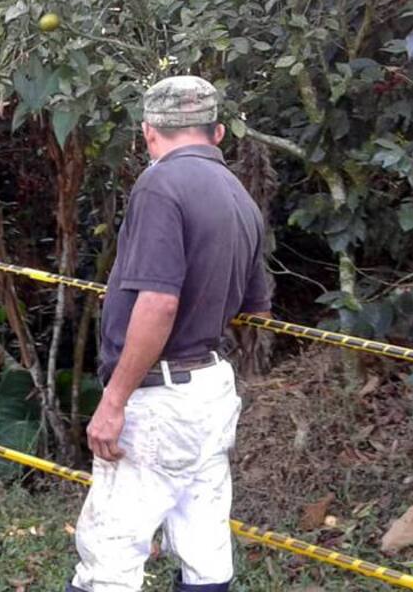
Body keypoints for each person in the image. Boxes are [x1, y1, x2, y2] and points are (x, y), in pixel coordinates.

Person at [66, 76, 272, 592]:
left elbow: (158, 301)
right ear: (218, 132)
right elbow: (255, 307)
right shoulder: (240, 196)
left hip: (159, 398)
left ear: (148, 133)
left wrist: (114, 401)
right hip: (210, 390)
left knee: (110, 549)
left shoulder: (160, 184)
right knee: (204, 543)